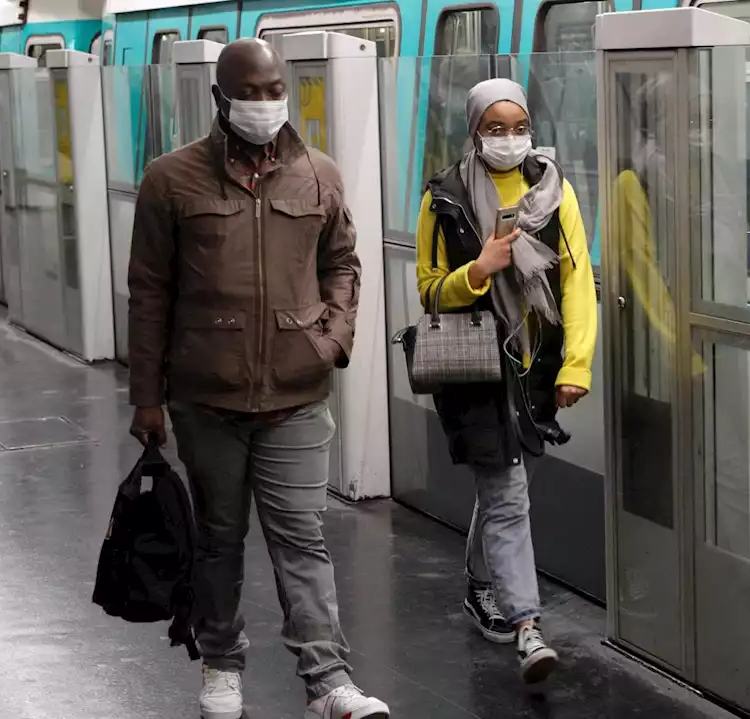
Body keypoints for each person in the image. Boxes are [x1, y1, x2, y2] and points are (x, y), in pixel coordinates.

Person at [126, 38, 388, 719]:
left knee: (304, 537)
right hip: (205, 397)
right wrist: (146, 396)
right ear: (220, 99)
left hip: (298, 396)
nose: (267, 104)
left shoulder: (318, 173)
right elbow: (149, 291)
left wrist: (332, 339)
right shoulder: (170, 179)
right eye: (252, 93)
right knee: (219, 537)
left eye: (276, 91)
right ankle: (221, 663)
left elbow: (344, 264)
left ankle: (328, 681)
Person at [414, 78, 597, 683]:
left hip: (536, 367)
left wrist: (576, 364)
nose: (510, 138)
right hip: (476, 369)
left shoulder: (552, 187)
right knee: (509, 495)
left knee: (504, 490)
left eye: (518, 126)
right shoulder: (443, 198)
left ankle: (479, 582)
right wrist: (479, 270)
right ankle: (526, 626)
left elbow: (575, 279)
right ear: (474, 131)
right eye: (496, 128)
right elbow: (430, 291)